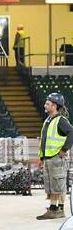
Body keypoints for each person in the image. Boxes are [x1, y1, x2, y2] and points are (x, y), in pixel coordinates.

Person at [37, 92, 72, 220]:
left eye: (48, 103)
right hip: (49, 157)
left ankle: (54, 209)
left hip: (56, 157)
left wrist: (64, 149)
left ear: (54, 106)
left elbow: (71, 132)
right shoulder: (48, 120)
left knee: (57, 184)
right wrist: (42, 157)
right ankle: (56, 208)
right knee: (51, 184)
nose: (45, 105)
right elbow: (44, 140)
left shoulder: (60, 120)